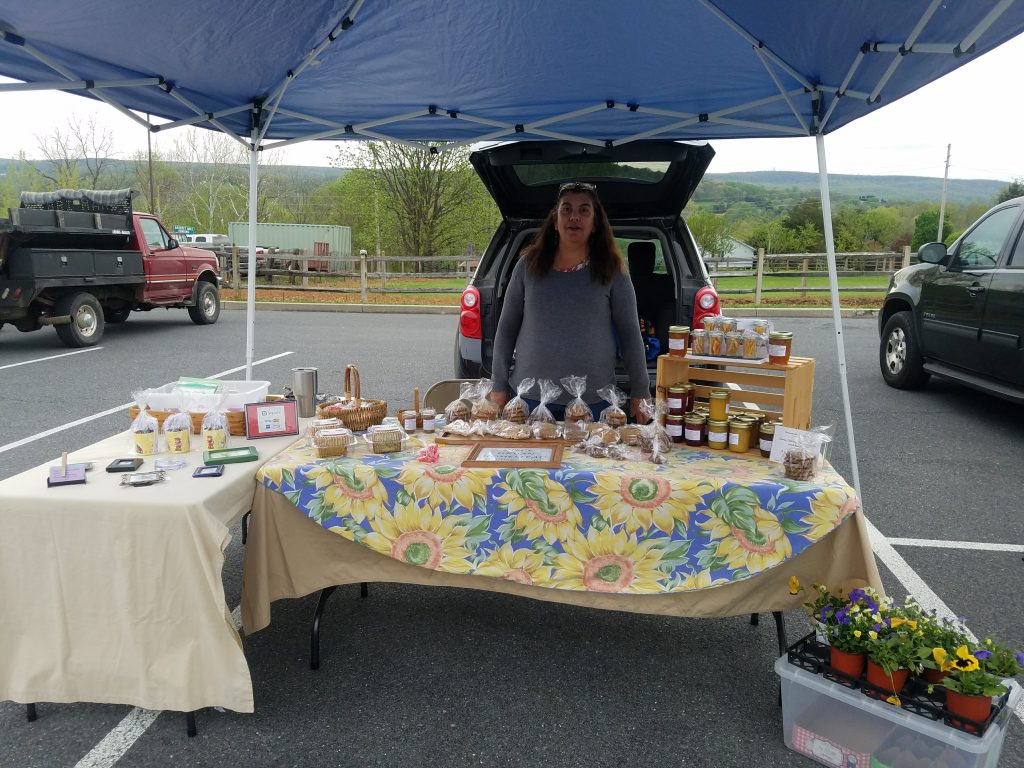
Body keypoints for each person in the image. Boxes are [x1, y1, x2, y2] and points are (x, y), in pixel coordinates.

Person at [489, 181, 651, 422]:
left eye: (584, 210)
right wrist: (498, 384)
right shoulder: (527, 266)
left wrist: (641, 390)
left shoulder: (613, 271)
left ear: (595, 223)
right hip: (528, 400)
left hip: (594, 404)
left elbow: (630, 335)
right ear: (555, 221)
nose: (574, 217)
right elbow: (506, 328)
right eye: (566, 209)